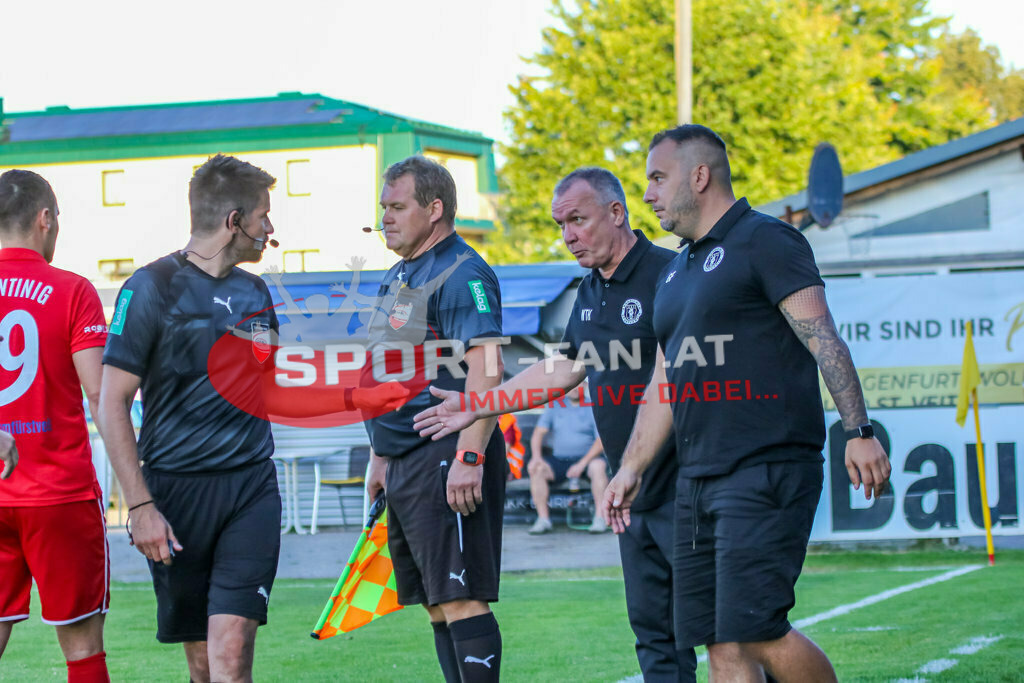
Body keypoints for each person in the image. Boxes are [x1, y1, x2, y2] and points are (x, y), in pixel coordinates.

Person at [97, 154, 404, 683]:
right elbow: (111, 403)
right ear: (234, 221)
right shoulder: (149, 287)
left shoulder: (254, 293)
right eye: (265, 216)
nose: (272, 229)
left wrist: (358, 400)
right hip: (175, 495)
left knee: (232, 653)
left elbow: (271, 387)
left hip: (250, 490)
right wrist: (141, 506)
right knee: (202, 665)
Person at [603, 124, 891, 682]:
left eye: (658, 178)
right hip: (696, 480)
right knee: (719, 642)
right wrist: (631, 467)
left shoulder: (767, 240)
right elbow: (666, 379)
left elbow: (822, 335)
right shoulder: (674, 271)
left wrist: (859, 431)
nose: (648, 194)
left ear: (700, 176)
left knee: (759, 628)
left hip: (766, 467)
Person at [414, 167, 696, 681]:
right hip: (630, 495)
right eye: (560, 223)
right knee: (654, 635)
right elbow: (562, 368)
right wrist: (483, 404)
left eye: (577, 220)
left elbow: (681, 379)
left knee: (727, 635)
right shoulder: (588, 292)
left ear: (617, 213)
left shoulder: (672, 274)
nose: (568, 235)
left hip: (690, 485)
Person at [362, 156, 507, 683]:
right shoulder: (399, 275)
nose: (386, 218)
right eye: (383, 208)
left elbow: (486, 368)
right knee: (436, 603)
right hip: (404, 461)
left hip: (446, 455)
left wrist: (470, 455)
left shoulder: (462, 271)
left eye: (397, 207)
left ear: (435, 208)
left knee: (462, 597)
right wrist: (380, 456)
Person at [0, 169, 111, 681]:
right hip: (58, 492)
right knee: (83, 648)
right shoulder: (72, 290)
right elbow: (99, 393)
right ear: (45, 219)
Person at [526, 388, 608, 535]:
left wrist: (582, 464)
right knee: (537, 468)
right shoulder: (555, 406)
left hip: (587, 460)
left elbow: (601, 440)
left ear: (585, 385)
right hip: (560, 460)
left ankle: (600, 518)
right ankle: (543, 520)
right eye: (572, 385)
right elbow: (538, 433)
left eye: (579, 384)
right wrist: (536, 458)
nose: (575, 389)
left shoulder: (594, 406)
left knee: (598, 466)